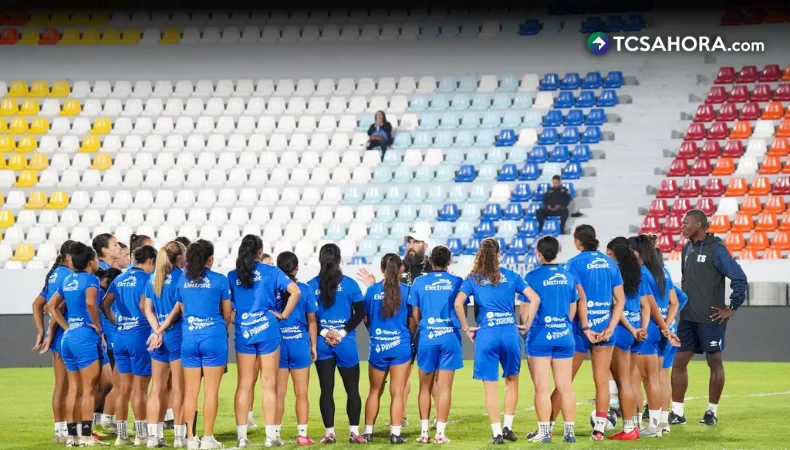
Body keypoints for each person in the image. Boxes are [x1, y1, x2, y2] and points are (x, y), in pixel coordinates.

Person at [453, 238, 536, 444]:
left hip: (486, 333)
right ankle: (508, 427)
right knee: (512, 382)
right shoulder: (511, 275)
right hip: (509, 332)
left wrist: (466, 328)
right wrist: (527, 324)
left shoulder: (473, 278)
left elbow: (457, 303)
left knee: (490, 387)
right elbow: (535, 298)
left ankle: (497, 434)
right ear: (499, 255)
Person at [672, 209, 747, 427]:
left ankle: (711, 412)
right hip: (687, 317)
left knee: (714, 362)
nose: (682, 226)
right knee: (678, 363)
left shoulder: (717, 250)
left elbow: (739, 277)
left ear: (699, 225)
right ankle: (677, 412)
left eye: (686, 223)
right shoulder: (687, 248)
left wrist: (732, 307)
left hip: (711, 317)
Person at [549, 225, 625, 442]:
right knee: (602, 381)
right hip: (606, 330)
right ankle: (599, 430)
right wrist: (611, 326)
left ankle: (548, 426)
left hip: (581, 331)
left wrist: (585, 327)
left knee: (564, 381)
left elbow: (579, 297)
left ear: (577, 241)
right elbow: (620, 300)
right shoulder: (610, 263)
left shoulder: (574, 263)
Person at [356, 227, 436, 431]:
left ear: (425, 245)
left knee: (431, 375)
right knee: (404, 375)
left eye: (415, 242)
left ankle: (433, 415)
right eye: (409, 242)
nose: (410, 246)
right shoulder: (401, 269)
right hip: (404, 331)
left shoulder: (433, 268)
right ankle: (402, 417)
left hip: (426, 329)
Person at [154, 239, 231, 450]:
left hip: (188, 338)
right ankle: (207, 438)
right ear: (210, 259)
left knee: (190, 392)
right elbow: (226, 314)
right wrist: (216, 328)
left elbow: (182, 309)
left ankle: (190, 438)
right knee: (211, 392)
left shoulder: (182, 281)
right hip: (213, 337)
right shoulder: (220, 280)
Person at [228, 235, 301, 448]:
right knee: (269, 384)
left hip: (244, 332)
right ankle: (271, 438)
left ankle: (242, 439)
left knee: (244, 385)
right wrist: (284, 314)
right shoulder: (272, 271)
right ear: (260, 252)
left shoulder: (233, 275)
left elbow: (228, 306)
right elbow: (295, 291)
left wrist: (234, 318)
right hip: (268, 331)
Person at [45, 242, 108, 447]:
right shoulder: (91, 280)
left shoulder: (68, 279)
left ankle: (72, 437)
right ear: (91, 262)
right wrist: (98, 327)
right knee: (89, 389)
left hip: (68, 337)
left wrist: (67, 325)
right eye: (97, 258)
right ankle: (86, 436)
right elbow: (91, 303)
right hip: (84, 337)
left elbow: (50, 306)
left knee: (73, 389)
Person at [307, 243, 367, 444]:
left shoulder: (310, 286)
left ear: (319, 261)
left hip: (322, 343)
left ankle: (329, 432)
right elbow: (360, 312)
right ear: (339, 260)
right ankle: (354, 431)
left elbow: (310, 317)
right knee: (352, 390)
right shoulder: (350, 284)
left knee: (326, 390)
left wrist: (325, 332)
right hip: (346, 343)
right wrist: (341, 333)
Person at [523, 236, 578, 444]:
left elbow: (526, 308)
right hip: (564, 335)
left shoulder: (532, 277)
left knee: (542, 388)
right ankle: (569, 432)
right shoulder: (568, 276)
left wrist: (526, 326)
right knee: (565, 386)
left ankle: (544, 432)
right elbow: (573, 308)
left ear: (539, 253)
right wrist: (562, 324)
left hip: (540, 336)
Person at [101, 246, 157, 446]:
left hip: (121, 336)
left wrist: (117, 323)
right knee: (140, 388)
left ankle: (121, 436)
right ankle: (141, 435)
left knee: (123, 388)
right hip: (139, 336)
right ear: (150, 261)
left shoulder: (120, 279)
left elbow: (104, 304)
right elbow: (144, 307)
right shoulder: (147, 280)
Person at [407, 245, 463, 444]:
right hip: (450, 337)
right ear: (449, 261)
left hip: (427, 337)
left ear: (430, 260)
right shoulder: (457, 282)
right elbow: (460, 308)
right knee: (445, 388)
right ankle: (440, 433)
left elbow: (415, 314)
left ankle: (424, 433)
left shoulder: (419, 282)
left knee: (425, 386)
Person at [627, 235, 680, 438]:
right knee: (657, 379)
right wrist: (666, 327)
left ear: (636, 252)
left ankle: (642, 425)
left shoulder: (641, 272)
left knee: (636, 380)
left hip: (646, 329)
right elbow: (674, 301)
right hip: (660, 331)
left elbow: (648, 305)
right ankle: (659, 424)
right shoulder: (663, 271)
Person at [361, 254, 414, 444]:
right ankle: (395, 434)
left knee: (375, 390)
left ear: (381, 269)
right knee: (397, 392)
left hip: (378, 346)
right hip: (400, 346)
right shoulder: (407, 291)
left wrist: (376, 335)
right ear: (401, 268)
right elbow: (413, 321)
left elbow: (366, 319)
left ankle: (367, 432)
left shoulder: (371, 291)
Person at [143, 241, 187, 449]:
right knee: (179, 388)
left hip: (157, 338)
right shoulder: (182, 277)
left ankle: (153, 436)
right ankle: (179, 436)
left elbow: (147, 309)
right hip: (176, 335)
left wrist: (156, 331)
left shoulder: (153, 278)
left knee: (157, 388)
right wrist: (162, 330)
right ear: (179, 258)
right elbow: (179, 310)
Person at [606, 238, 649, 441]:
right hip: (637, 332)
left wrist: (632, 329)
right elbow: (646, 306)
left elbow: (617, 306)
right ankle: (635, 427)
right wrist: (642, 329)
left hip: (624, 332)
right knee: (630, 381)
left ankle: (629, 429)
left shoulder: (615, 275)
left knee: (623, 382)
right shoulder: (638, 276)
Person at [32, 240, 75, 444]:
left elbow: (37, 304)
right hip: (65, 334)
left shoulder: (54, 274)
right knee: (72, 386)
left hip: (55, 335)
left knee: (60, 385)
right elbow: (55, 307)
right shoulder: (69, 276)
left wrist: (43, 331)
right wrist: (59, 331)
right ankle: (71, 429)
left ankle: (60, 431)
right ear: (69, 257)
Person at [275, 252, 319, 446]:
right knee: (302, 393)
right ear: (296, 268)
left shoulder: (271, 290)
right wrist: (314, 345)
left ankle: (274, 434)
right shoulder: (305, 290)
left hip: (278, 345)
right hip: (300, 344)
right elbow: (312, 320)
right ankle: (302, 435)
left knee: (278, 393)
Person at [656, 247, 689, 435]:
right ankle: (663, 419)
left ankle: (642, 420)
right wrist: (671, 316)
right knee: (663, 376)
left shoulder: (652, 278)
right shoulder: (666, 278)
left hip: (661, 332)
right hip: (671, 330)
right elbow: (682, 298)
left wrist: (664, 321)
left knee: (648, 376)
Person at [96, 268, 123, 433]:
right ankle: (105, 419)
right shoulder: (104, 293)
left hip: (109, 339)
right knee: (115, 383)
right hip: (109, 340)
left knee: (109, 383)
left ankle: (99, 419)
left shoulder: (103, 292)